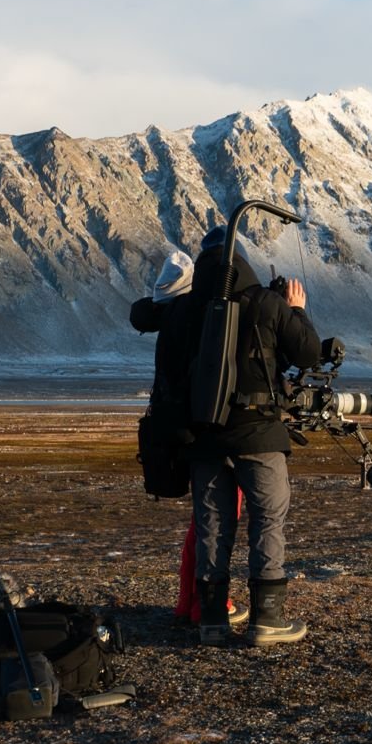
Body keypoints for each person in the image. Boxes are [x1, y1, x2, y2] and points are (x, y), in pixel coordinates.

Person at [164, 226, 323, 646]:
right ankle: (267, 620)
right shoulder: (267, 303)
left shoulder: (186, 309)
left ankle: (212, 620)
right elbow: (308, 351)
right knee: (268, 520)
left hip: (205, 437)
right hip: (259, 435)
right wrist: (297, 310)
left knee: (212, 525)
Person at [128, 252, 249, 627]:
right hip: (208, 432)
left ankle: (187, 603)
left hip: (177, 429)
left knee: (203, 521)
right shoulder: (199, 318)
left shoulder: (172, 318)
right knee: (215, 522)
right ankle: (207, 605)